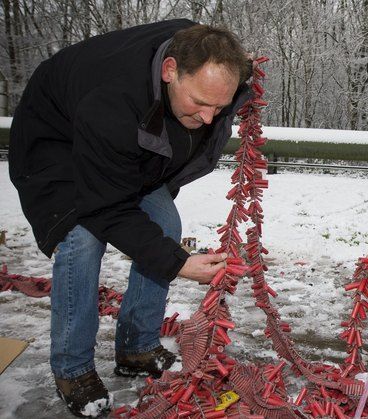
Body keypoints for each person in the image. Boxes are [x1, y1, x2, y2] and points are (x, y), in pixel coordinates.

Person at [9, 19, 252, 417]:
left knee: (165, 225)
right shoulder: (112, 101)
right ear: (170, 70)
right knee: (82, 238)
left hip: (121, 149)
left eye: (219, 106)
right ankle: (73, 369)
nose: (210, 118)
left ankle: (137, 348)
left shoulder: (205, 57)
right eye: (199, 102)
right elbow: (106, 207)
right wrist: (179, 264)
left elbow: (226, 81)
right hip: (55, 148)